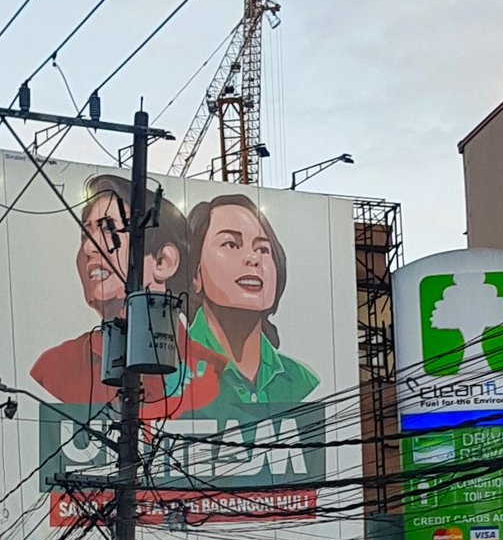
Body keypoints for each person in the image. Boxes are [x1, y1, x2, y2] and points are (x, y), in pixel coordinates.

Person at [30, 173, 225, 411]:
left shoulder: (216, 372)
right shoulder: (54, 368)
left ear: (163, 261)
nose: (89, 248)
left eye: (108, 229)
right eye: (85, 234)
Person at [184, 193, 320, 410]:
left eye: (263, 249)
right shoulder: (171, 375)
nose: (253, 258)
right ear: (195, 274)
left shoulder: (301, 381)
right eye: (231, 244)